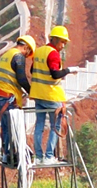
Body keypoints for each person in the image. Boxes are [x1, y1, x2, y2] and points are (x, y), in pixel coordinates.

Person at [30, 26, 79, 165]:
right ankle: (49, 156)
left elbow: (32, 70)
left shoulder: (39, 51)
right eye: (62, 42)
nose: (63, 45)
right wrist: (69, 70)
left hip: (38, 95)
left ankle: (38, 157)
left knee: (39, 125)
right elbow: (55, 74)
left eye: (65, 43)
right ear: (55, 39)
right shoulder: (53, 54)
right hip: (51, 96)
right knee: (55, 126)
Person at [0, 35, 36, 164]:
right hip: (7, 98)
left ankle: (7, 154)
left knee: (7, 128)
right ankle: (13, 155)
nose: (26, 56)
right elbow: (22, 79)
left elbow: (11, 78)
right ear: (26, 47)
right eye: (28, 53)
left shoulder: (6, 55)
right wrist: (32, 92)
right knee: (14, 128)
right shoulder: (18, 56)